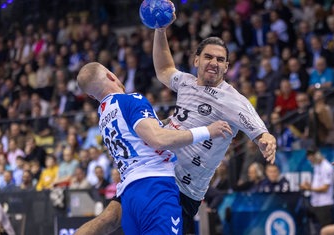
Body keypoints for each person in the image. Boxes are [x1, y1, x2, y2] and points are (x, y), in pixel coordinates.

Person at [75, 14, 276, 235]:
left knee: (110, 219)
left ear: (227, 67)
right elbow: (163, 69)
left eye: (220, 60)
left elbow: (257, 127)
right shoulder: (186, 83)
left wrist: (265, 138)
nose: (214, 63)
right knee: (108, 219)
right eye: (209, 57)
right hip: (157, 175)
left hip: (183, 190)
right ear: (196, 60)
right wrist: (160, 31)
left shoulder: (233, 100)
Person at [75, 62, 232, 235]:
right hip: (155, 187)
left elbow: (140, 134)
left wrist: (172, 120)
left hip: (129, 195)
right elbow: (158, 139)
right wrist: (207, 131)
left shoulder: (103, 116)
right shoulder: (131, 100)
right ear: (111, 76)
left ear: (91, 96)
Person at [300, 148, 334, 234]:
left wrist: (309, 188)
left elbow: (325, 188)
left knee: (326, 231)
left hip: (325, 205)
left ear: (316, 156)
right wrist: (309, 185)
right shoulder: (316, 166)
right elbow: (318, 184)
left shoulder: (327, 167)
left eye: (311, 159)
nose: (310, 161)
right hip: (315, 203)